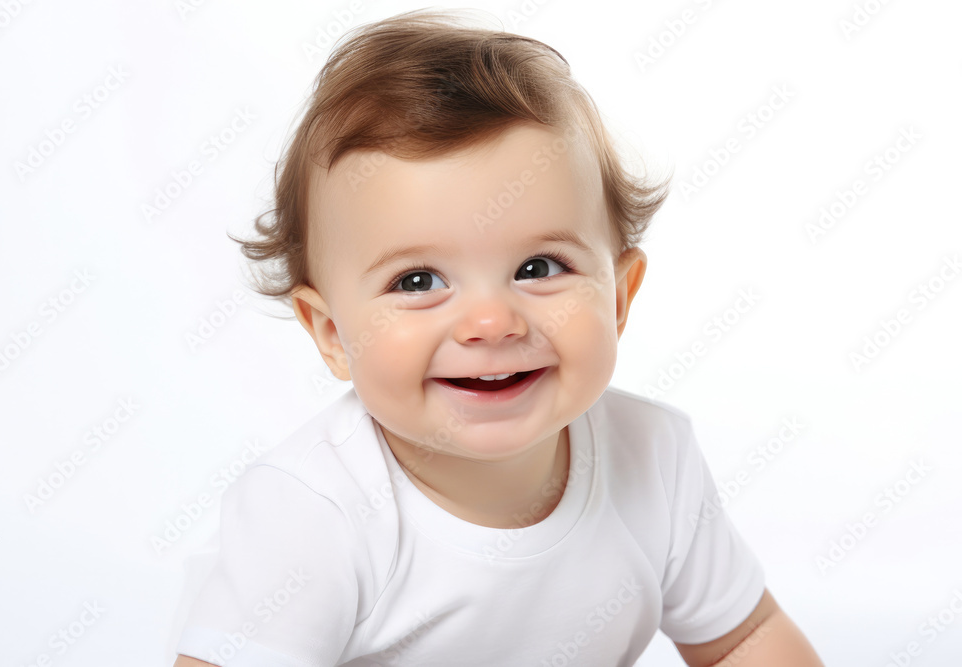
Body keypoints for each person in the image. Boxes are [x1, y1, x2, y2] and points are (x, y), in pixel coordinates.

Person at [173, 8, 824, 666]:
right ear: (333, 333)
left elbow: (745, 639)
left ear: (620, 297)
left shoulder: (655, 457)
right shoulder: (312, 511)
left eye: (539, 268)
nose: (492, 323)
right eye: (418, 280)